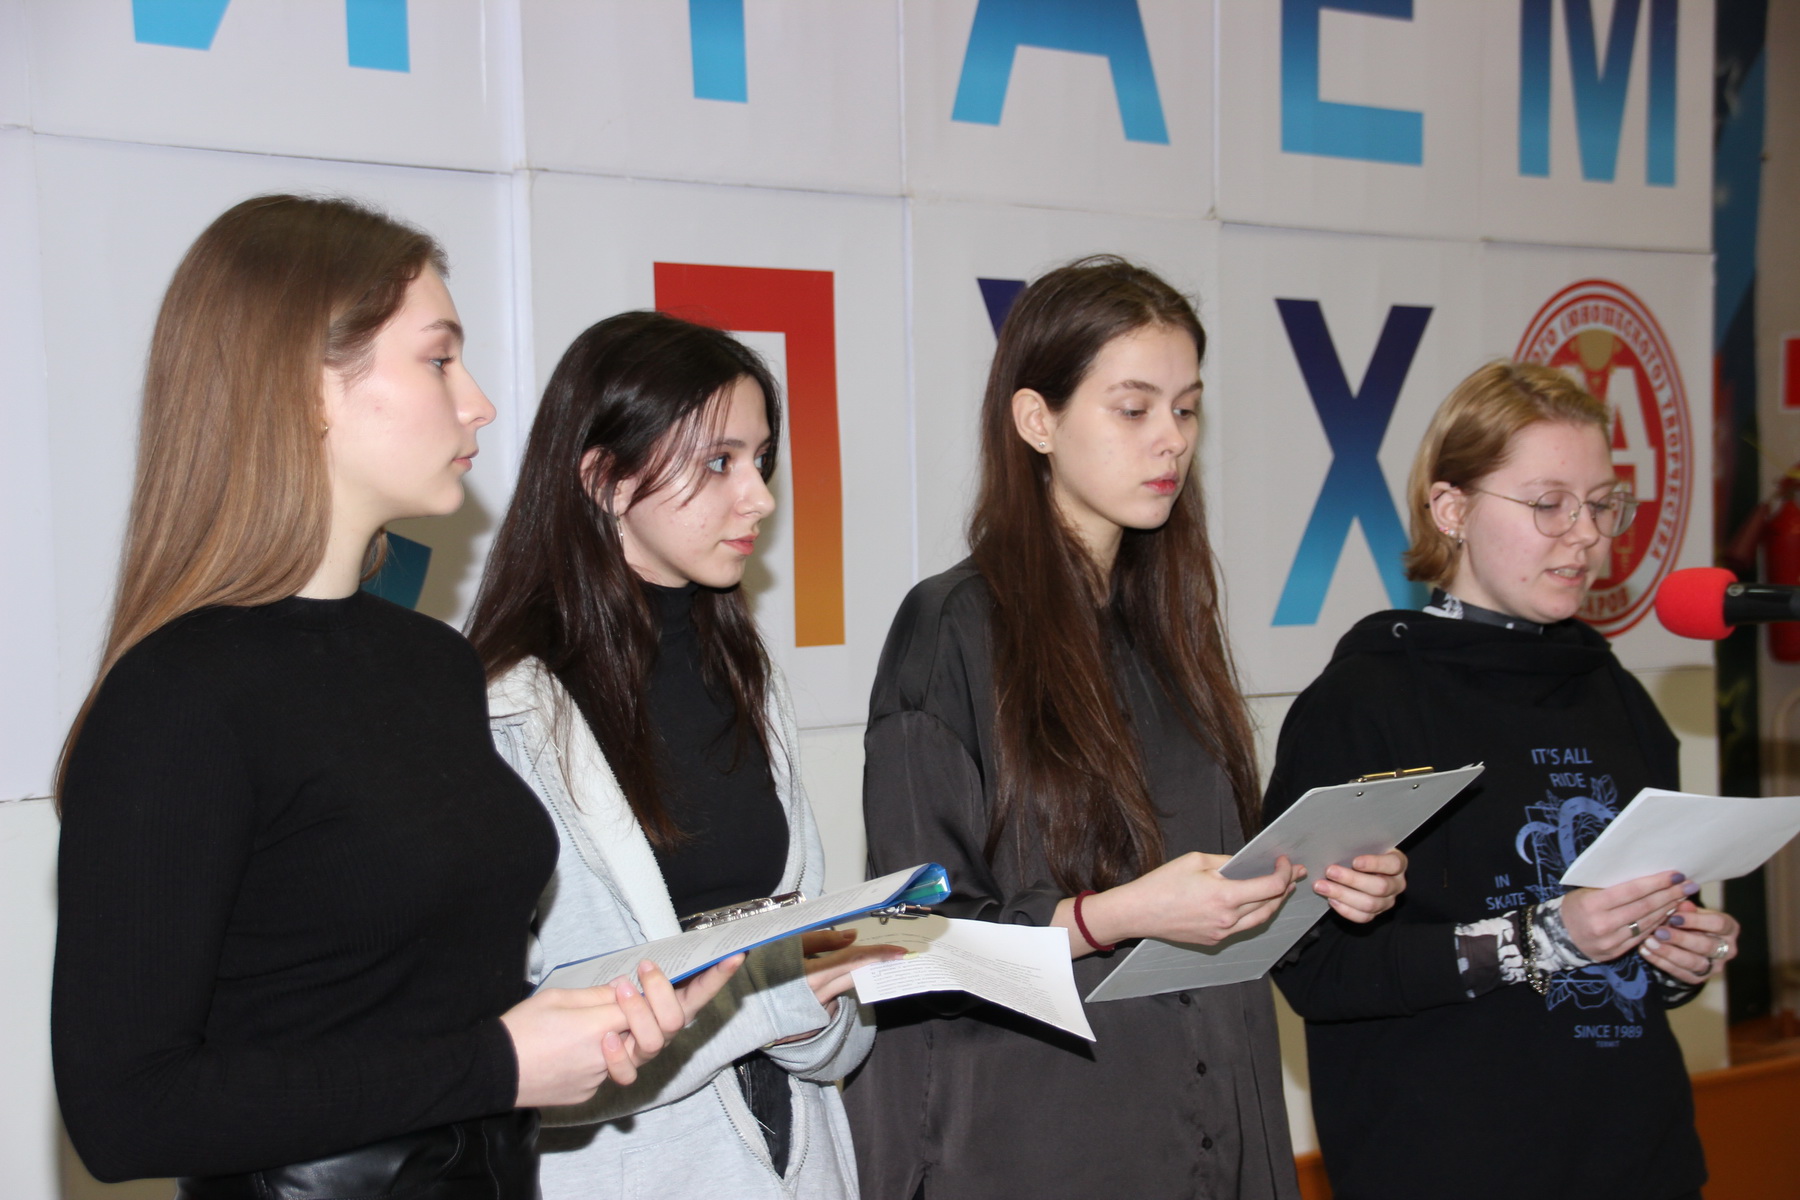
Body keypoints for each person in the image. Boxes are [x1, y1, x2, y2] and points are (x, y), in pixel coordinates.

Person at [51, 195, 737, 1200]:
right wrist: (500, 1063)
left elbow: (419, 1009)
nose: (480, 404)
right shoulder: (178, 697)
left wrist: (581, 1026)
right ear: (306, 388)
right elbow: (125, 1111)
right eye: (439, 359)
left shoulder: (433, 666)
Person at [842, 257, 1408, 1200]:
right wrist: (1112, 917)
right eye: (1134, 408)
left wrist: (1321, 886)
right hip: (1038, 1137)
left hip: (1206, 1121)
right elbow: (915, 938)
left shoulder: (1172, 625)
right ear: (1037, 420)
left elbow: (1216, 893)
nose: (1170, 440)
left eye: (1186, 410)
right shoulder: (953, 628)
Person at [1264, 361, 1738, 1200]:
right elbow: (1315, 969)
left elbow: (1641, 957)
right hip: (1451, 1164)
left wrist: (1679, 955)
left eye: (1602, 504)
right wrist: (1546, 937)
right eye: (1549, 503)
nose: (1585, 535)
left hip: (1642, 1158)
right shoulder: (1367, 700)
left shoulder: (1617, 694)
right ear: (1452, 510)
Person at [466, 310, 900, 1198]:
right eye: (718, 462)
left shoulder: (745, 674)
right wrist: (775, 999)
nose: (760, 497)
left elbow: (818, 1004)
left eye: (760, 459)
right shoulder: (505, 715)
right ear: (604, 477)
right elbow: (519, 1058)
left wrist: (829, 1000)